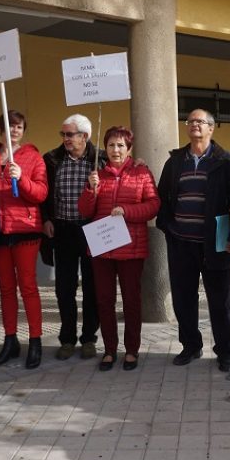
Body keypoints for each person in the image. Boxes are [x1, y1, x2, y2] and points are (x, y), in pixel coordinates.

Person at [156, 109, 230, 372]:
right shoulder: (175, 161)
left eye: (200, 122)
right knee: (183, 298)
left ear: (212, 128)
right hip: (181, 242)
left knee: (220, 300)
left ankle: (225, 350)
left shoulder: (226, 162)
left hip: (215, 243)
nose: (194, 125)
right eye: (190, 121)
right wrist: (168, 227)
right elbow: (163, 198)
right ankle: (191, 345)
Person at [78, 126, 160, 371]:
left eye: (121, 145)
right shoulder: (97, 175)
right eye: (112, 145)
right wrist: (90, 191)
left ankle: (132, 350)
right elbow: (85, 211)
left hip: (131, 247)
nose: (116, 150)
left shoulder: (142, 173)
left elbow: (154, 205)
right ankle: (110, 349)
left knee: (131, 301)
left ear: (129, 148)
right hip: (102, 248)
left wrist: (127, 211)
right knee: (104, 300)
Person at [0, 109, 48, 369]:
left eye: (18, 126)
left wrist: (23, 179)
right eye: (9, 126)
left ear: (23, 130)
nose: (14, 130)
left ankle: (36, 340)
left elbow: (41, 194)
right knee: (6, 289)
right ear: (1, 130)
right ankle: (10, 340)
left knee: (28, 286)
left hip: (26, 229)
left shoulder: (33, 157)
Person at [41, 114, 105, 361]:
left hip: (91, 230)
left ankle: (89, 338)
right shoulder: (52, 159)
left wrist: (138, 162)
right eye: (64, 134)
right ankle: (67, 339)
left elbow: (124, 170)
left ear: (85, 136)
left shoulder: (101, 159)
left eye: (70, 134)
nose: (65, 139)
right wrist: (46, 218)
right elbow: (44, 194)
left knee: (92, 287)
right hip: (63, 230)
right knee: (64, 288)